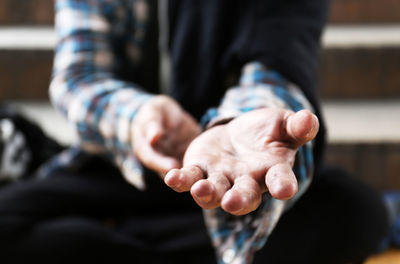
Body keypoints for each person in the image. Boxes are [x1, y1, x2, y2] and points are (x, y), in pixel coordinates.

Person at [0, 0, 389, 263]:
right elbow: (78, 78)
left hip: (230, 173)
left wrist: (232, 124)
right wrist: (139, 118)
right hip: (123, 170)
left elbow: (276, 64)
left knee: (355, 210)